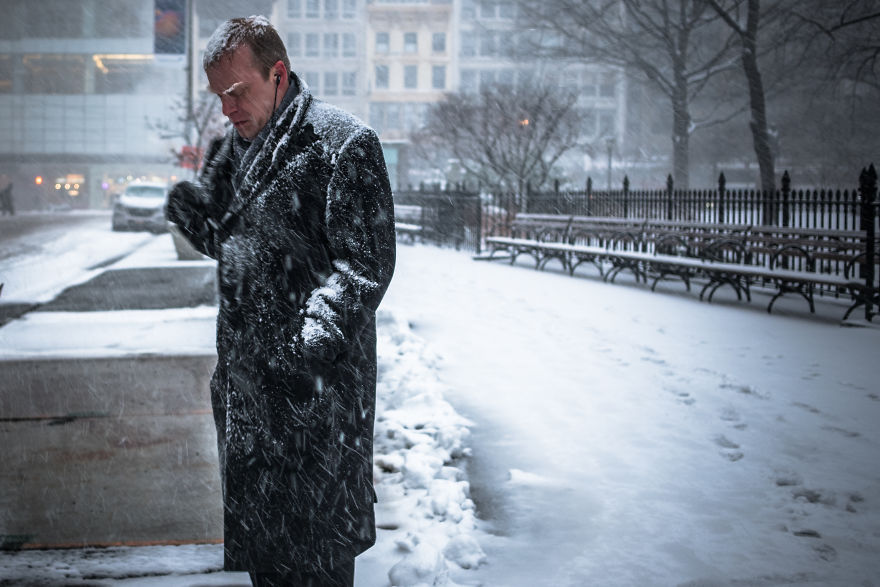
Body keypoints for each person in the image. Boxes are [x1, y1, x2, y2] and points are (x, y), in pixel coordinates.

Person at [164, 16, 396, 587]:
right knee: (269, 567)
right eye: (219, 96)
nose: (226, 109)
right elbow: (241, 249)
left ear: (278, 74)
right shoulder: (235, 150)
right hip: (250, 408)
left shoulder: (343, 145)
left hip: (314, 410)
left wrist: (301, 350)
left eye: (237, 92)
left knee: (316, 565)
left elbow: (364, 267)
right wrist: (196, 217)